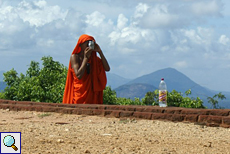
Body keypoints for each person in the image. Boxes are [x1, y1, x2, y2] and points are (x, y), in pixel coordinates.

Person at [62, 34, 110, 104]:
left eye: (90, 43)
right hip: (79, 92)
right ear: (80, 44)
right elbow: (78, 75)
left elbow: (107, 68)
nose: (88, 45)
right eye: (86, 43)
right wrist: (85, 58)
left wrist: (100, 52)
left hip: (91, 92)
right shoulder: (75, 57)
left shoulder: (94, 59)